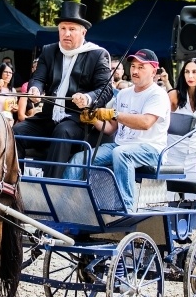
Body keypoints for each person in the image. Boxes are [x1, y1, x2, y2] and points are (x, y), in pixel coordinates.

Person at [14, 1, 112, 177]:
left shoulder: (97, 54)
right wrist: (35, 90)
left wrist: (88, 99)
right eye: (63, 28)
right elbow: (38, 78)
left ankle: (50, 187)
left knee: (63, 131)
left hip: (79, 122)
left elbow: (105, 90)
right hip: (48, 117)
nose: (66, 33)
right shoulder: (49, 51)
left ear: (83, 31)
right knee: (15, 133)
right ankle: (14, 185)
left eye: (72, 29)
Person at [64, 49, 170, 211]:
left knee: (121, 154)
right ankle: (66, 208)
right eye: (133, 66)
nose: (134, 71)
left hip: (152, 149)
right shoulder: (123, 94)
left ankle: (125, 207)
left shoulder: (158, 95)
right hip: (120, 146)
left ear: (154, 71)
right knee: (79, 159)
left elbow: (146, 123)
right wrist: (94, 119)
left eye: (141, 67)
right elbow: (111, 129)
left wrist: (114, 114)